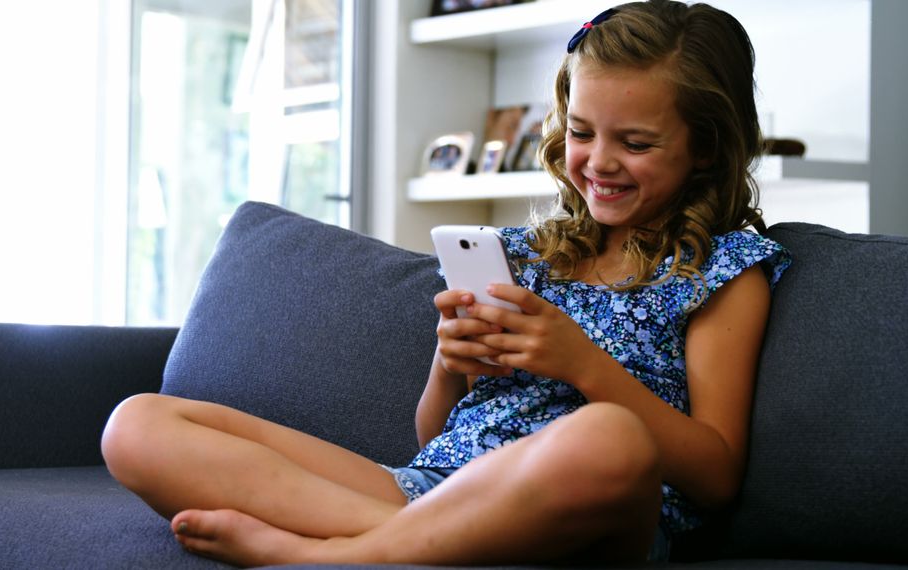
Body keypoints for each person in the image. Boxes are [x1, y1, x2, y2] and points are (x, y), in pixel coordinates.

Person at [100, 0, 791, 565]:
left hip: (584, 516)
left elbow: (717, 472)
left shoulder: (722, 271)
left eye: (635, 143)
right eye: (582, 132)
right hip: (432, 489)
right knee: (138, 424)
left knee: (610, 436)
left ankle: (334, 558)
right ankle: (418, 545)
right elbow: (434, 437)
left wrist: (581, 364)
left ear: (705, 147)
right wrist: (449, 361)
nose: (598, 162)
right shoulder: (529, 254)